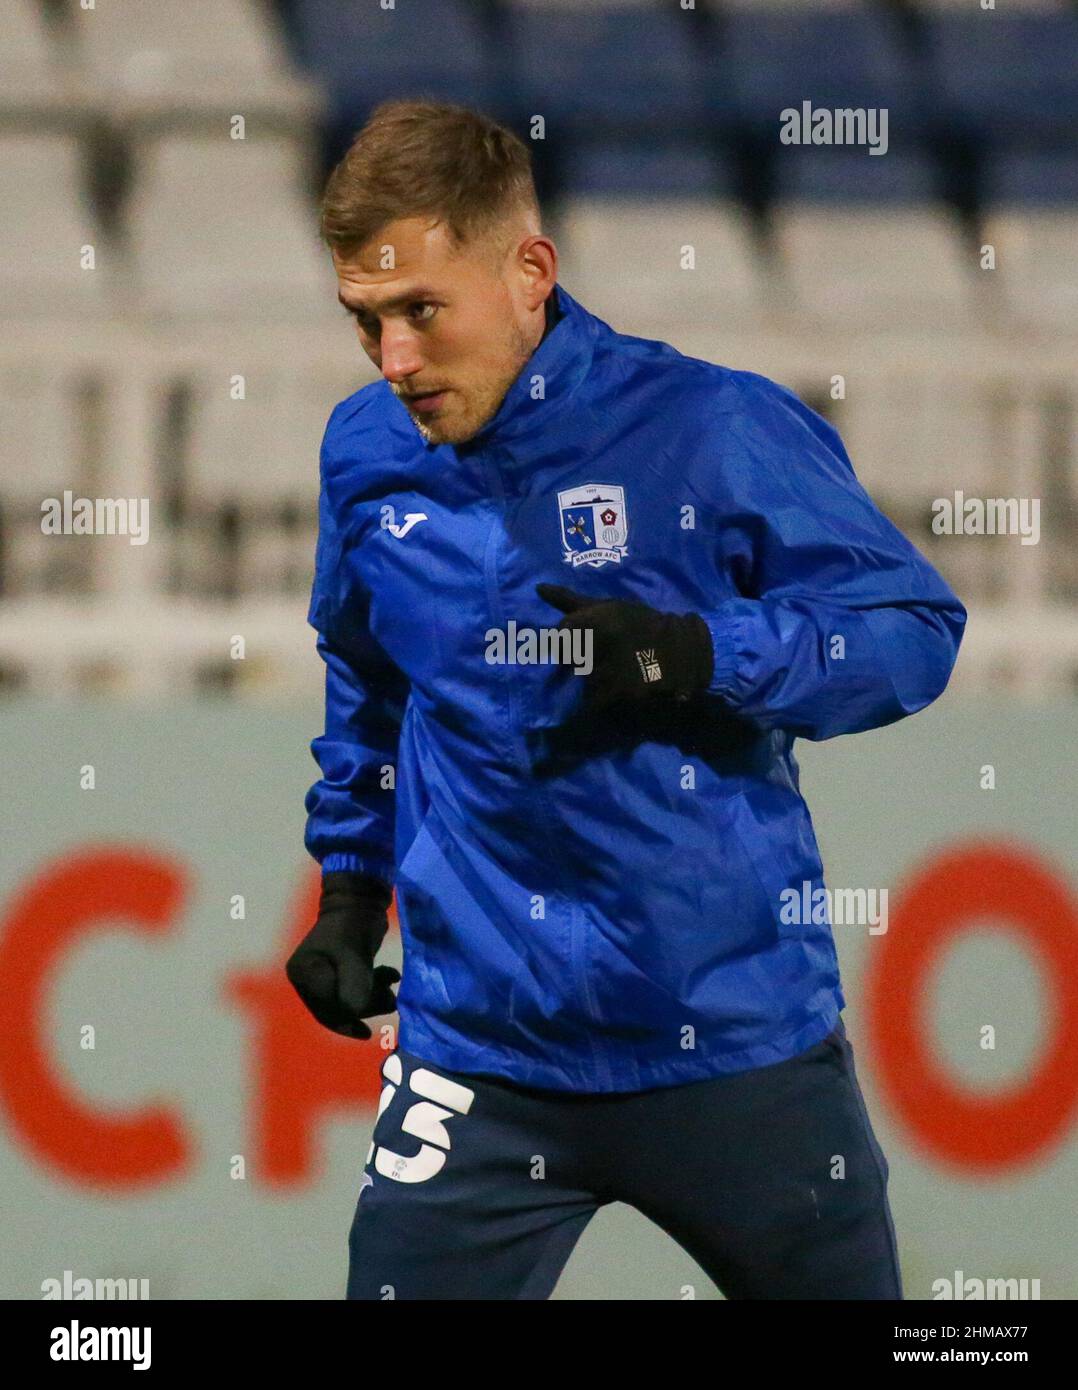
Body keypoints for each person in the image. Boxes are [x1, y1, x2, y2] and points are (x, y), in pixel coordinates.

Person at [286, 100, 966, 1300]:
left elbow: (909, 633)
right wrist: (349, 891)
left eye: (420, 313)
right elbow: (371, 682)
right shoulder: (364, 453)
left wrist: (702, 654)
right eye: (365, 323)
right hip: (479, 1057)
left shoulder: (712, 427)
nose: (394, 361)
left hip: (729, 1039)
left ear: (530, 272)